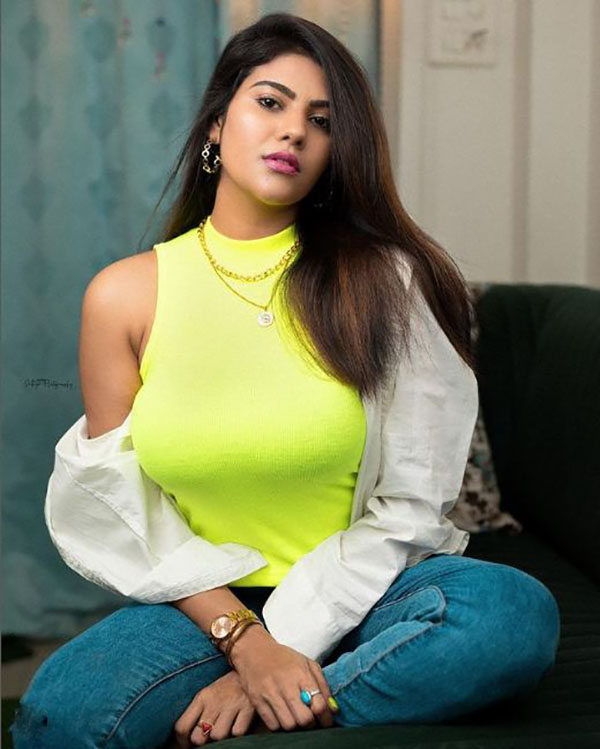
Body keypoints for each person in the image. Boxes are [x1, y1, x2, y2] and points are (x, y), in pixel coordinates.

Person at [10, 12, 560, 749]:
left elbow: (411, 503)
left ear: (335, 150)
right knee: (61, 711)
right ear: (216, 123)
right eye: (270, 102)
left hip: (366, 591)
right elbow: (121, 509)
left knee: (511, 615)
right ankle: (294, 703)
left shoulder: (386, 283)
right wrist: (245, 640)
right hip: (204, 607)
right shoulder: (124, 296)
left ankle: (267, 709)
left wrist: (270, 663)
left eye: (321, 121)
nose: (294, 130)